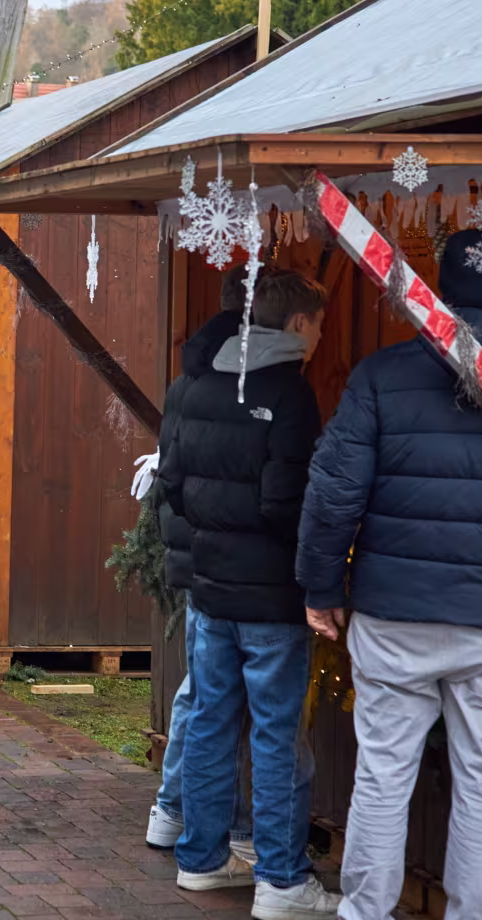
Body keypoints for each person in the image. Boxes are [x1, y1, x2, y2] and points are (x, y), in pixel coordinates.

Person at [294, 229, 482, 920]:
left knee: (382, 774)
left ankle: (364, 913)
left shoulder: (381, 375)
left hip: (394, 612)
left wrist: (319, 587)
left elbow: (334, 491)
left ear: (442, 289)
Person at [156, 267, 337, 918]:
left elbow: (170, 481)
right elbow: (286, 502)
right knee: (276, 733)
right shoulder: (290, 394)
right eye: (318, 323)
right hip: (269, 597)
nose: (321, 335)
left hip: (209, 586)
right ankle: (282, 879)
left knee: (208, 721)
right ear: (296, 325)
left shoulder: (203, 379)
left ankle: (202, 860)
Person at [148, 266, 255, 868]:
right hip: (224, 553)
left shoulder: (190, 369)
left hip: (194, 547)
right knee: (214, 697)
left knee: (200, 692)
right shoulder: (241, 375)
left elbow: (175, 468)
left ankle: (172, 809)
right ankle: (217, 819)